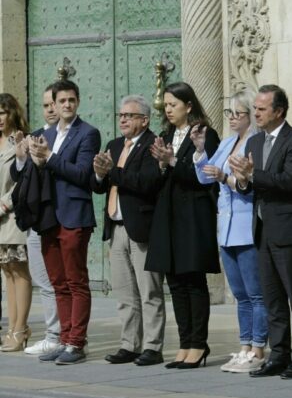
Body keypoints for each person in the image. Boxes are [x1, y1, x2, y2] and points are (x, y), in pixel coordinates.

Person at [231, 84, 292, 380]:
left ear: (279, 111)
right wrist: (242, 180)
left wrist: (253, 174)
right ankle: (279, 354)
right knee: (272, 299)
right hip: (263, 229)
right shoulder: (254, 143)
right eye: (255, 108)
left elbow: (291, 181)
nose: (256, 113)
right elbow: (250, 186)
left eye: (262, 109)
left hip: (290, 229)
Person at [13, 79, 100, 365]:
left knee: (77, 281)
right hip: (48, 217)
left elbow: (82, 173)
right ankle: (63, 338)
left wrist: (49, 158)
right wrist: (26, 159)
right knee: (58, 283)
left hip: (74, 215)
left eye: (71, 100)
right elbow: (30, 178)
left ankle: (77, 343)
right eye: (61, 101)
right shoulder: (45, 134)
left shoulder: (87, 133)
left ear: (77, 102)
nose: (66, 105)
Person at [145, 82, 220, 370]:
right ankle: (184, 342)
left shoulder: (203, 134)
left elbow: (205, 176)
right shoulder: (165, 135)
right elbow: (156, 177)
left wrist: (173, 161)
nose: (168, 110)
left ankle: (199, 344)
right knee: (175, 282)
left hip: (193, 215)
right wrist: (162, 165)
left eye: (173, 105)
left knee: (193, 280)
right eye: (165, 105)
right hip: (168, 216)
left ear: (188, 106)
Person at [194, 89, 266, 374]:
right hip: (225, 227)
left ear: (251, 116)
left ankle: (259, 347)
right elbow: (204, 177)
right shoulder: (226, 143)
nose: (233, 118)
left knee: (256, 293)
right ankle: (245, 345)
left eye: (238, 113)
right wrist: (200, 151)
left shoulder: (256, 144)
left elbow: (251, 187)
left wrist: (225, 177)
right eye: (229, 113)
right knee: (240, 293)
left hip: (247, 226)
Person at [92, 95, 166, 366]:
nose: (122, 119)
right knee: (124, 293)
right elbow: (99, 185)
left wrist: (113, 173)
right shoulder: (113, 145)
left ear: (144, 120)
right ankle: (129, 344)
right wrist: (100, 174)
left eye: (129, 115)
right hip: (117, 227)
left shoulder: (152, 145)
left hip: (142, 228)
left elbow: (147, 182)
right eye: (120, 115)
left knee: (149, 291)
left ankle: (152, 346)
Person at [23, 87, 61, 356]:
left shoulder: (68, 136)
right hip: (36, 218)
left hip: (58, 216)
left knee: (57, 280)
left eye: (53, 104)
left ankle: (58, 334)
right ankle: (53, 333)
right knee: (42, 280)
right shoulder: (35, 136)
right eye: (45, 104)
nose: (49, 109)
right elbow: (23, 178)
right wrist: (23, 158)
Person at [0, 94, 31, 352]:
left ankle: (21, 328)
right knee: (7, 271)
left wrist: (5, 204)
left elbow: (23, 177)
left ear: (12, 113)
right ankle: (10, 327)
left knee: (19, 270)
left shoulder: (20, 140)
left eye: (2, 112)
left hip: (12, 215)